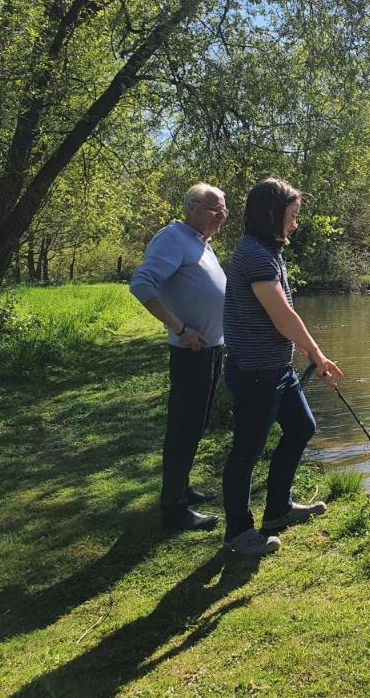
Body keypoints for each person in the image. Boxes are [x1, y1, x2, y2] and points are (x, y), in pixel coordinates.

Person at [221, 177, 343, 556]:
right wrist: (317, 354)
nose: (295, 223)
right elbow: (282, 316)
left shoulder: (266, 250)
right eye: (291, 215)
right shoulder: (256, 256)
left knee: (302, 427)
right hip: (257, 371)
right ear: (272, 215)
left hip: (276, 367)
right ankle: (238, 533)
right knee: (247, 451)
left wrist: (304, 353)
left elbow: (283, 319)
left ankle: (278, 510)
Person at [129, 183, 229, 532]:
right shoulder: (173, 238)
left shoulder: (199, 243)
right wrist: (181, 328)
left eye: (225, 209)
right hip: (192, 351)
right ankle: (174, 509)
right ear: (192, 207)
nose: (223, 216)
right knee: (184, 427)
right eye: (216, 208)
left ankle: (181, 488)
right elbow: (141, 284)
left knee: (195, 424)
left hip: (211, 350)